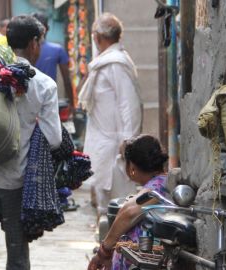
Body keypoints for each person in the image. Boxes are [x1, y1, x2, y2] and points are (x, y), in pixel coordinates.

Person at [0, 15, 62, 270]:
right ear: (34, 43)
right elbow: (54, 140)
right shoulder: (44, 85)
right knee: (17, 257)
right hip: (16, 183)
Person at [77, 13, 142, 217]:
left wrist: (128, 140)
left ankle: (116, 245)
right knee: (104, 201)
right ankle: (106, 244)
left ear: (97, 37)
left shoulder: (116, 63)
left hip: (115, 145)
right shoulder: (105, 62)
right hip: (103, 142)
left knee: (118, 203)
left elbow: (129, 105)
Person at [88, 134, 168, 270]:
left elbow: (129, 213)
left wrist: (103, 252)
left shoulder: (158, 186)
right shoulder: (160, 182)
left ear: (132, 167)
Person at [32, 12, 74, 107]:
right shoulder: (57, 49)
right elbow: (67, 80)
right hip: (50, 101)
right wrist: (72, 105)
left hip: (29, 101)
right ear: (47, 28)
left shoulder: (23, 50)